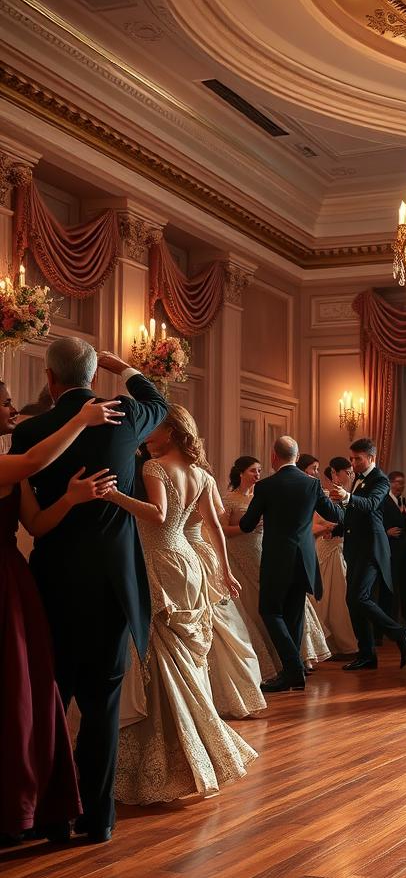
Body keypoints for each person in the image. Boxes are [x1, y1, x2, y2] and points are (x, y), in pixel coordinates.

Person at [10, 338, 168, 842]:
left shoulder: (30, 431)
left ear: (50, 379)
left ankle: (54, 817)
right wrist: (125, 368)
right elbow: (161, 402)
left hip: (51, 578)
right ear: (93, 377)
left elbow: (29, 508)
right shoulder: (123, 414)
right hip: (110, 581)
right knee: (103, 703)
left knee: (53, 697)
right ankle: (98, 819)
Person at [101, 406, 257, 803]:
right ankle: (199, 750)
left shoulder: (155, 469)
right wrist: (223, 570)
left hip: (161, 561)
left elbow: (158, 515)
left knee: (158, 654)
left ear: (170, 432)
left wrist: (114, 494)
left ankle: (171, 754)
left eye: (152, 428)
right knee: (179, 657)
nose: (145, 435)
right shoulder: (202, 474)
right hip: (188, 564)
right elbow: (214, 527)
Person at [1, 380, 122, 842]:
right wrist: (79, 418)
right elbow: (33, 460)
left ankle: (30, 805)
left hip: (14, 584)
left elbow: (36, 524)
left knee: (25, 696)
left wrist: (71, 498)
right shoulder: (16, 463)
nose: (14, 407)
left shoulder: (16, 473)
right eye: (5, 402)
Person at [239, 436, 342, 693]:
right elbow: (335, 515)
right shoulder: (312, 485)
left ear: (274, 456)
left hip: (277, 558)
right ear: (296, 456)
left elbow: (246, 525)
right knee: (294, 615)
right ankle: (292, 674)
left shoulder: (266, 486)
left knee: (270, 611)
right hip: (304, 559)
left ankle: (293, 668)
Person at [222, 456, 333, 678]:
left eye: (260, 470)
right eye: (253, 470)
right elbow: (225, 529)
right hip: (242, 555)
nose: (257, 475)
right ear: (240, 473)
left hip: (265, 553)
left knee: (279, 609)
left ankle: (292, 662)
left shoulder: (264, 491)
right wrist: (248, 529)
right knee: (257, 608)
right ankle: (278, 663)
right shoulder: (230, 499)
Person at [186, 471, 267, 719]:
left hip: (195, 552)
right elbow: (218, 519)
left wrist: (225, 569)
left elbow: (218, 522)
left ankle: (227, 693)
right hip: (188, 553)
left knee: (218, 622)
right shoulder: (199, 477)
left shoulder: (196, 478)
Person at [332, 437, 406, 671]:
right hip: (355, 547)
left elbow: (368, 505)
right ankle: (367, 654)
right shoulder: (357, 478)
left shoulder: (380, 480)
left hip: (372, 548)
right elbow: (355, 514)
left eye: (357, 458)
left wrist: (346, 497)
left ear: (371, 458)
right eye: (351, 458)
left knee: (360, 597)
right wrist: (337, 528)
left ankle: (400, 632)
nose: (353, 463)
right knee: (353, 599)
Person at [312, 457, 358, 657]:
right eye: (347, 472)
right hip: (326, 548)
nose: (351, 476)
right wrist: (327, 527)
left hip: (341, 547)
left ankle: (339, 643)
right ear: (334, 474)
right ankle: (330, 643)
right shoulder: (324, 495)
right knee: (330, 596)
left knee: (340, 596)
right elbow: (314, 523)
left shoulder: (351, 496)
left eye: (351, 472)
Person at [380, 470, 406, 627]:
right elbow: (374, 523)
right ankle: (390, 620)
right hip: (390, 550)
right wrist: (386, 532)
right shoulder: (382, 502)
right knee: (390, 586)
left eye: (403, 483)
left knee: (405, 584)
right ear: (390, 483)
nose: (401, 486)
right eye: (398, 482)